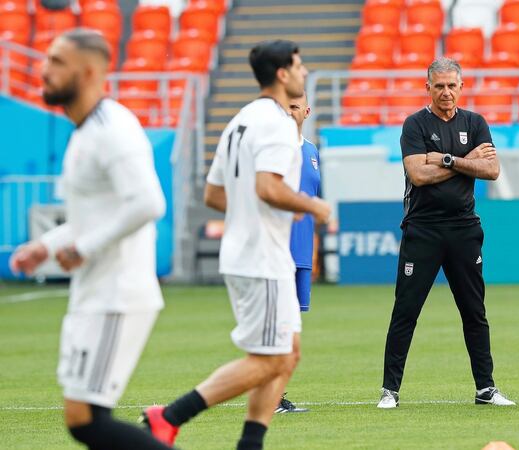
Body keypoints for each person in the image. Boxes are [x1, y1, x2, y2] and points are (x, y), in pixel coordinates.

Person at [141, 40, 331, 449]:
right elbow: (269, 187)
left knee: (289, 352)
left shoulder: (241, 119)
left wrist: (257, 209)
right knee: (273, 359)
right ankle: (170, 416)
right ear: (282, 73)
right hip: (260, 257)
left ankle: (251, 442)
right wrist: (310, 205)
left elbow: (213, 194)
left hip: (257, 253)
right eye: (298, 66)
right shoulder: (279, 124)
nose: (303, 72)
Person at [9, 29, 170, 450]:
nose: (43, 70)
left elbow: (149, 202)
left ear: (90, 71)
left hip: (117, 294)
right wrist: (46, 245)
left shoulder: (112, 128)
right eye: (45, 60)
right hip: (96, 292)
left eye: (57, 62)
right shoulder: (84, 132)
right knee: (83, 419)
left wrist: (83, 248)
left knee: (87, 421)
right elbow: (94, 216)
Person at [378, 57, 514, 409]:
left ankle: (486, 388)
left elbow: (493, 169)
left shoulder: (475, 122)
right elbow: (418, 175)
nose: (446, 92)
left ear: (461, 87)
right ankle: (389, 391)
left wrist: (448, 159)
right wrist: (467, 161)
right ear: (428, 88)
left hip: (464, 229)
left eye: (452, 85)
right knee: (406, 311)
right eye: (439, 86)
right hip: (423, 229)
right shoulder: (414, 125)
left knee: (474, 311)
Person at [275, 92, 321, 414]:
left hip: (301, 252)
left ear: (306, 110)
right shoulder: (272, 152)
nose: (289, 112)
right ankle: (272, 397)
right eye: (284, 106)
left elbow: (313, 202)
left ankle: (275, 394)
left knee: (290, 327)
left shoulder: (313, 151)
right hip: (275, 251)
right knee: (279, 327)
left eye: (294, 106)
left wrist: (313, 253)